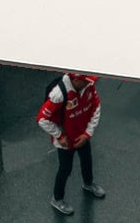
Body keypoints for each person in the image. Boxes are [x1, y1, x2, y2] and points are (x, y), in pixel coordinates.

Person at [37, 73, 106, 215]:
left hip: (82, 135)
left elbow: (96, 107)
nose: (89, 84)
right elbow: (42, 119)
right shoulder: (59, 94)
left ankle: (88, 184)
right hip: (65, 141)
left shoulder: (89, 86)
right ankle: (57, 199)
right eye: (85, 81)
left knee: (87, 160)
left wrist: (87, 133)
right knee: (65, 169)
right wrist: (59, 136)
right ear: (75, 80)